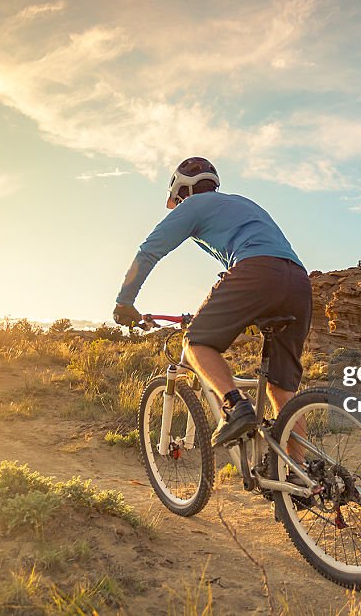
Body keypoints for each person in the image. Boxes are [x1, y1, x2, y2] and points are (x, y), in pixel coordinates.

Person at [113, 157, 312, 449]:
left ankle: (234, 406)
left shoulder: (193, 206)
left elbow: (149, 252)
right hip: (298, 282)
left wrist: (124, 302)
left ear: (183, 192)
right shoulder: (243, 204)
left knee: (196, 344)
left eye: (177, 200)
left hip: (255, 271)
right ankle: (302, 478)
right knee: (281, 392)